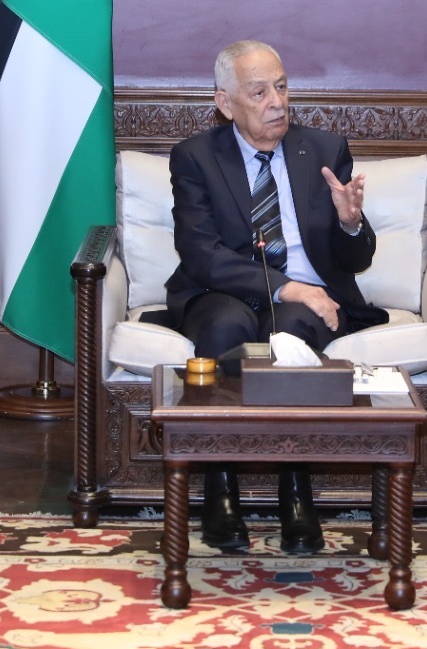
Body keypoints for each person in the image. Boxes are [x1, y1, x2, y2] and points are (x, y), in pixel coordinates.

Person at [156, 40, 386, 555]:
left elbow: (354, 259)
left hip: (306, 298)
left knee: (294, 329)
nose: (277, 102)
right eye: (259, 92)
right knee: (225, 328)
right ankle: (220, 489)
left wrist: (351, 224)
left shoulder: (324, 150)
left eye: (281, 87)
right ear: (225, 103)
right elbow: (200, 252)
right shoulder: (195, 157)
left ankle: (296, 493)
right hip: (221, 290)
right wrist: (288, 286)